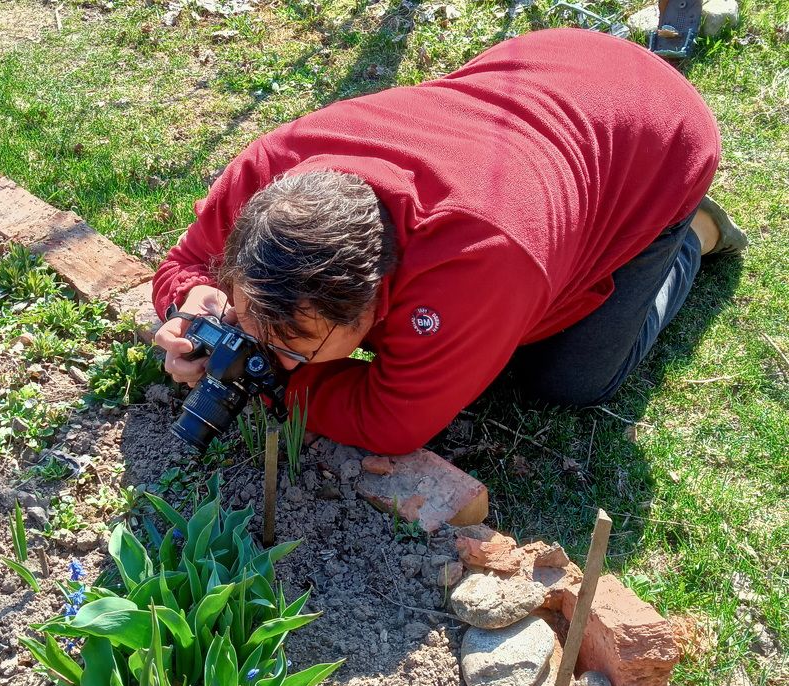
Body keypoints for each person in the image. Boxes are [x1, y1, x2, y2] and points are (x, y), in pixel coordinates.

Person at [152, 28, 747, 455]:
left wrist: (268, 383)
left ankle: (692, 236)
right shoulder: (269, 175)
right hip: (538, 66)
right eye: (245, 320)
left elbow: (391, 423)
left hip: (657, 137)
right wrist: (188, 305)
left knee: (566, 380)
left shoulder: (477, 265)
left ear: (375, 308)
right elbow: (184, 265)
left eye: (294, 349)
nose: (252, 344)